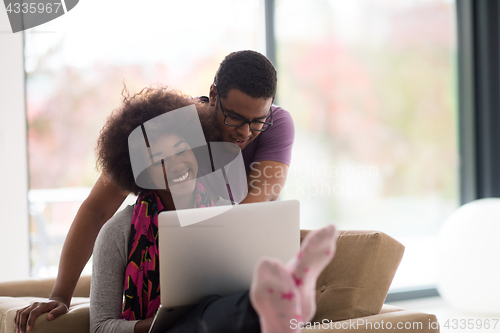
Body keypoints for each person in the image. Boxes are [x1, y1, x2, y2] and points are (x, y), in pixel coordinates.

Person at [15, 50, 295, 333]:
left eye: (257, 120)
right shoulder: (171, 126)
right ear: (213, 95)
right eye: (234, 117)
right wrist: (60, 295)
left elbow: (256, 206)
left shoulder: (274, 126)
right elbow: (98, 209)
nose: (245, 132)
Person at [85, 87, 335, 333]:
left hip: (222, 322)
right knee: (211, 313)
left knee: (220, 307)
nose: (176, 165)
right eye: (159, 160)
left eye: (182, 150)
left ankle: (280, 300)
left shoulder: (225, 213)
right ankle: (282, 301)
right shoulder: (117, 232)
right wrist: (155, 325)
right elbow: (100, 327)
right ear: (141, 173)